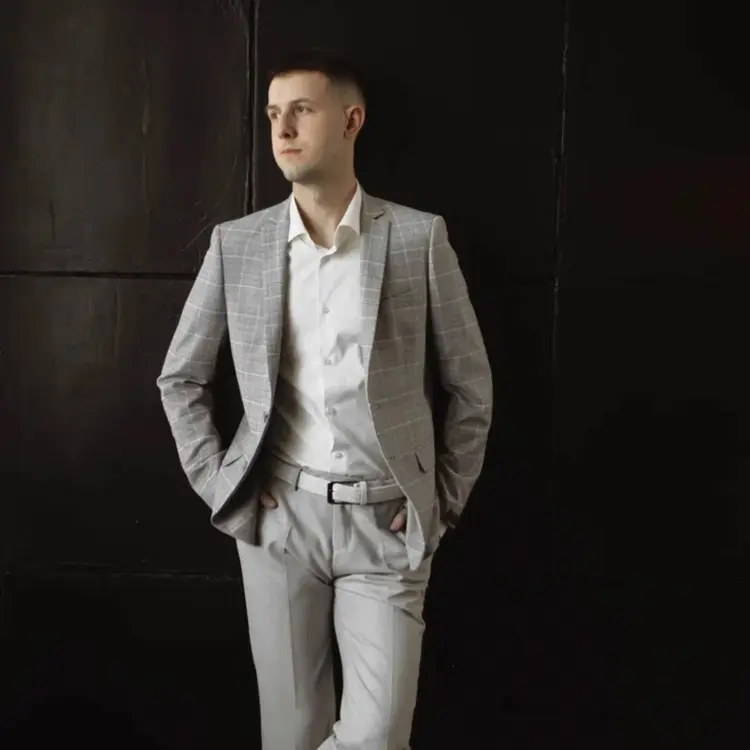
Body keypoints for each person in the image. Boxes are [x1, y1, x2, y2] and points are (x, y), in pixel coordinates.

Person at [156, 49, 493, 750]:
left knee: (378, 735)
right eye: (274, 114)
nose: (282, 129)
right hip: (279, 522)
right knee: (290, 732)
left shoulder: (417, 237)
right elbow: (181, 377)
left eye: (301, 111)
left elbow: (470, 385)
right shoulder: (237, 245)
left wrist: (442, 502)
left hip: (388, 525)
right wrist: (222, 482)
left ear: (350, 120)